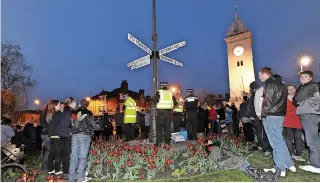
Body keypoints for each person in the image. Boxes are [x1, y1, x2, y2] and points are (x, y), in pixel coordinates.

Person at [259, 67, 295, 177]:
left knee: (275, 142)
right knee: (280, 140)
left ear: (265, 74)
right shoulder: (282, 84)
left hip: (271, 116)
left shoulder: (269, 84)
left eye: (260, 75)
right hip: (279, 115)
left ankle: (280, 167)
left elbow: (267, 102)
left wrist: (263, 115)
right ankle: (289, 164)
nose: (259, 77)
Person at [293, 70, 320, 174]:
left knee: (311, 141)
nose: (302, 78)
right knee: (315, 140)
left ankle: (316, 165)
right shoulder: (308, 87)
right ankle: (315, 161)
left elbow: (297, 99)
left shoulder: (310, 86)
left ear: (310, 78)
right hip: (311, 115)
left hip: (309, 115)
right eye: (301, 77)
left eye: (305, 77)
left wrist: (297, 99)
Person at [69, 99, 94, 182]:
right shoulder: (89, 113)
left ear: (80, 104)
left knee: (74, 157)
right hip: (85, 135)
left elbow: (71, 124)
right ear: (87, 105)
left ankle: (71, 178)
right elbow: (92, 124)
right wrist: (91, 134)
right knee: (83, 157)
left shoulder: (74, 112)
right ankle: (80, 178)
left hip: (75, 135)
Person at [283, 85, 305, 162]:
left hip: (298, 121)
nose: (291, 90)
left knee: (298, 138)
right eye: (289, 89)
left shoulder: (300, 99)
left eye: (292, 89)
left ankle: (298, 155)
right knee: (289, 137)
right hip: (287, 121)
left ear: (295, 89)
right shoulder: (284, 100)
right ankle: (293, 154)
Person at [251, 81, 272, 155]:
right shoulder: (257, 93)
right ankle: (266, 148)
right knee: (263, 133)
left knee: (262, 133)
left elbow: (254, 106)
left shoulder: (255, 93)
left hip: (262, 116)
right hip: (262, 116)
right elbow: (256, 105)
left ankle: (266, 148)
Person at [60, 97, 76, 178]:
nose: (75, 104)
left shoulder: (63, 110)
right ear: (72, 103)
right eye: (75, 102)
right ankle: (69, 172)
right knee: (69, 154)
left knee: (65, 154)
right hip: (68, 135)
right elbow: (73, 124)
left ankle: (66, 171)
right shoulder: (70, 111)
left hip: (62, 135)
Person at [47, 100, 63, 175]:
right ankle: (57, 170)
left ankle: (50, 170)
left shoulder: (50, 114)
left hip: (52, 136)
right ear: (55, 106)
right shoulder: (59, 114)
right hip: (57, 136)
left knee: (51, 153)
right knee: (58, 154)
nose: (60, 105)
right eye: (59, 104)